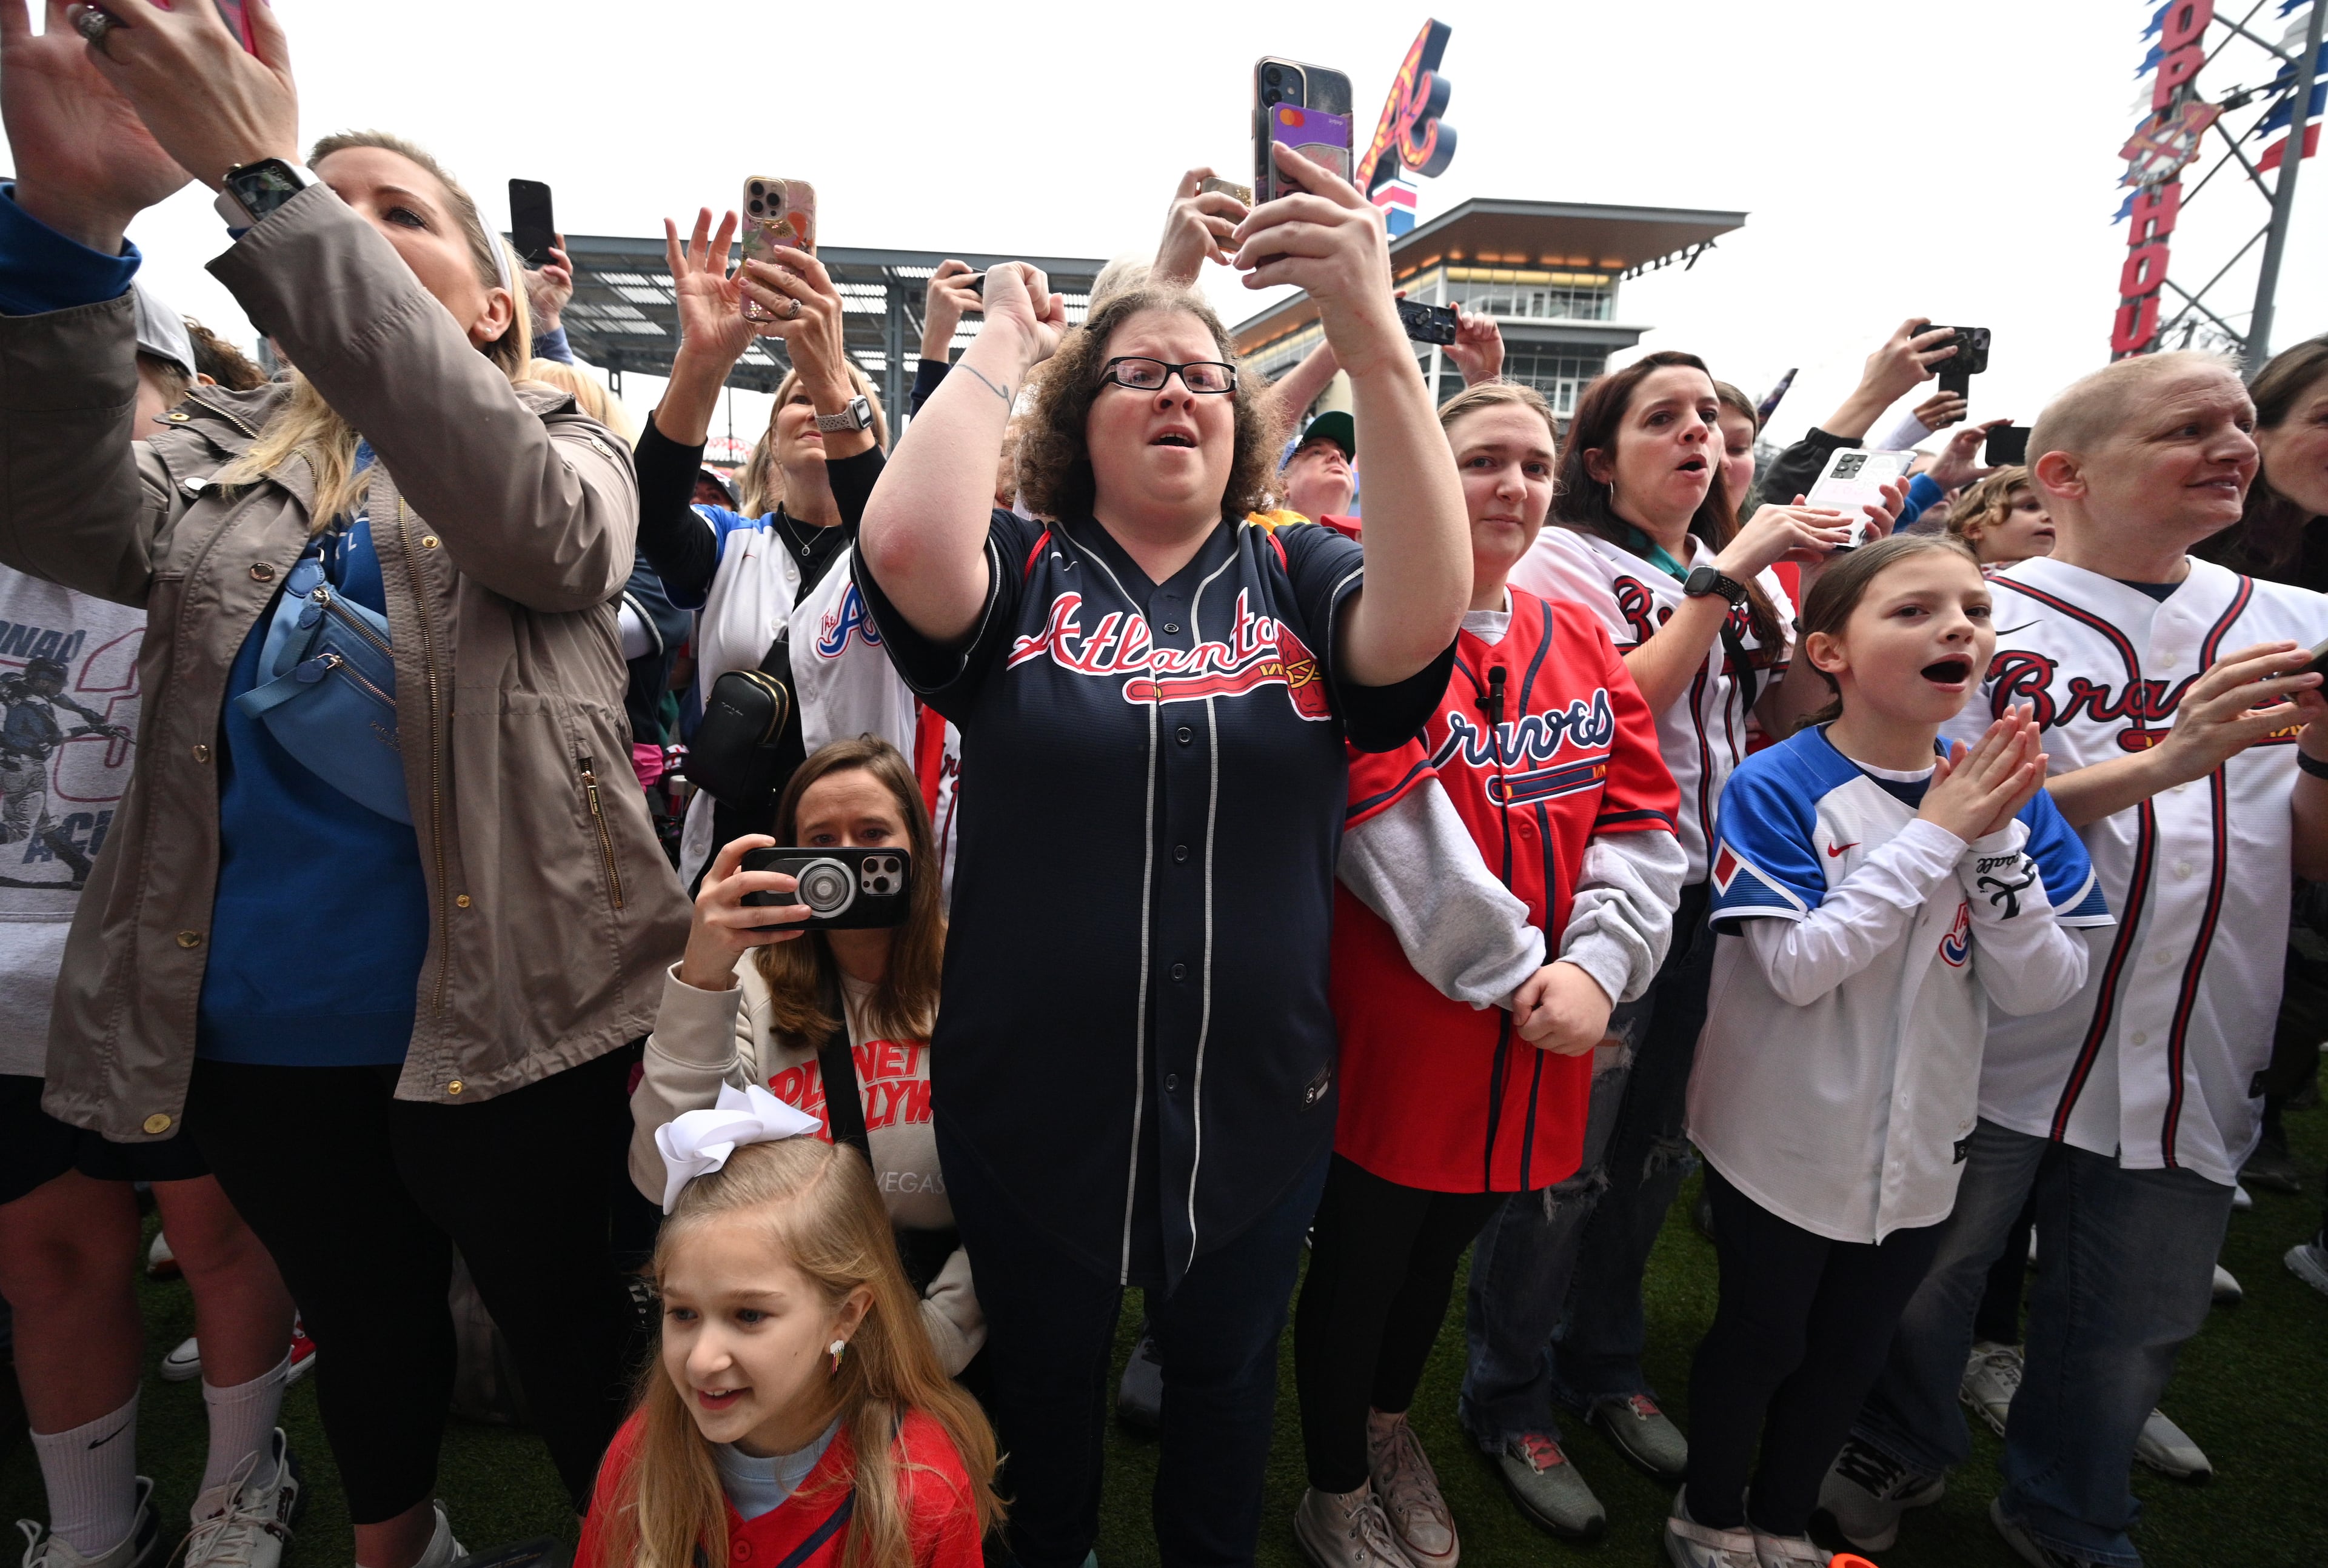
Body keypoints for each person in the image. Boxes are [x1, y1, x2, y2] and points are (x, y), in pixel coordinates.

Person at [0, 10, 691, 1568]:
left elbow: (545, 539)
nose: (342, 229)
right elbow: (55, 514)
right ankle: (398, 1543)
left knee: (564, 1320)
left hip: (520, 1018)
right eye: (329, 200)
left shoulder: (565, 428)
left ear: (502, 304)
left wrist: (259, 178)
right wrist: (70, 227)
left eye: (395, 215)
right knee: (367, 1326)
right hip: (261, 1025)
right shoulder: (222, 455)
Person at [851, 135, 1471, 1567]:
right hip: (1030, 1092)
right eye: (1138, 371)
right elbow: (902, 542)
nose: (1179, 384)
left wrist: (1374, 340)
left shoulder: (1295, 568)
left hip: (1253, 1098)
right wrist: (1011, 335)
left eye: (1203, 369)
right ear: (1081, 414)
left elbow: (1419, 615)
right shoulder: (1025, 565)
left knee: (1220, 1388)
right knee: (1041, 1396)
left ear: (1241, 419)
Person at [1821, 352, 2328, 1568]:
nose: (2233, 445)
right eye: (2188, 427)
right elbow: (1906, 805)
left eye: (2242, 423)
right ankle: (1898, 1441)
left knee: (2134, 1317)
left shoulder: (2303, 624)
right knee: (1928, 1275)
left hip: (2198, 1025)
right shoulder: (1971, 608)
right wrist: (2171, 756)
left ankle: (2069, 1508)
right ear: (2066, 474)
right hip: (1988, 1011)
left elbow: (2311, 858)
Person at [1471, 352, 1891, 1537]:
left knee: (1659, 1151)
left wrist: (1822, 664)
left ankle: (1603, 1363)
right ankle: (1508, 1396)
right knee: (1565, 1167)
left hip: (1713, 895)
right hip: (1601, 897)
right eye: (1664, 418)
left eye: (1709, 415)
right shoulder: (1568, 557)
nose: (1697, 434)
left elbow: (1758, 723)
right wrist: (1724, 577)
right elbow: (1615, 712)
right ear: (1601, 462)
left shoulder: (1717, 573)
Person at [1291, 381, 1683, 1568]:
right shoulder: (1360, 620)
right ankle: (1333, 1483)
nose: (1510, 485)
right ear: (1413, 474)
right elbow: (1375, 807)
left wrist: (1603, 967)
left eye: (1530, 464)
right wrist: (1522, 970)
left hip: (1548, 1028)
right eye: (1477, 462)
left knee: (1441, 1253)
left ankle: (1388, 1423)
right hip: (1408, 1023)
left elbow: (1642, 815)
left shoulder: (1575, 637)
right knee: (1364, 1260)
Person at [1667, 533, 2101, 1568]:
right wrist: (1938, 835)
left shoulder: (2008, 793)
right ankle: (1708, 1513)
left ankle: (1781, 1519)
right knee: (1765, 1337)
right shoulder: (1780, 782)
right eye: (1913, 610)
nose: (1958, 625)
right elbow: (1801, 967)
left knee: (1854, 1349)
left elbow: (2045, 986)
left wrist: (1989, 834)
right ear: (1831, 652)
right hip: (1779, 1134)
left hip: (1926, 1142)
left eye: (1974, 609)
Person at [0, 279, 306, 1568]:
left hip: (182, 964)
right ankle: (90, 1520)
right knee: (50, 1254)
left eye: (100, 383)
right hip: (13, 982)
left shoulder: (217, 538)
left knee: (219, 1233)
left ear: (179, 395)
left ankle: (240, 1482)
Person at [628, 736, 982, 1374]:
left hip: (946, 1312)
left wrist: (943, 1332)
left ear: (918, 851)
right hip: (787, 1329)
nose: (846, 860)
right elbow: (665, 1176)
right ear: (786, 860)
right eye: (819, 843)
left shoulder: (979, 978)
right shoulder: (747, 987)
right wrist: (703, 978)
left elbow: (1021, 1193)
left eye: (873, 832)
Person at [632, 209, 908, 888]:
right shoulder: (730, 543)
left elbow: (887, 539)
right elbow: (654, 515)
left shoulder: (905, 549)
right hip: (735, 847)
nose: (815, 406)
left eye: (840, 400)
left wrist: (827, 370)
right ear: (771, 443)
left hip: (862, 848)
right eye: (796, 398)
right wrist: (703, 359)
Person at [577, 1127, 998, 1568]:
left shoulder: (921, 1487)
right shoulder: (643, 1450)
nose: (702, 1360)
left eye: (749, 1315)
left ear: (846, 1316)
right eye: (682, 1313)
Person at [1944, 465, 2053, 565]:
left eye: (2055, 511)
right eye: (2031, 507)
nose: (2050, 517)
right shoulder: (1951, 581)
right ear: (1975, 529)